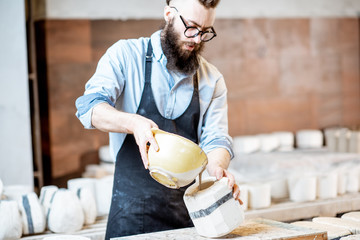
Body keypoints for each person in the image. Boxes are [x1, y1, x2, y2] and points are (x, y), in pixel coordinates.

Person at [75, 0, 241, 238]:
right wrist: (134, 123)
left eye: (205, 32)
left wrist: (218, 172)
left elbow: (216, 139)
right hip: (130, 217)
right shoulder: (126, 55)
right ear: (168, 14)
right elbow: (89, 107)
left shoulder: (212, 80)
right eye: (191, 27)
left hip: (188, 218)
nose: (196, 39)